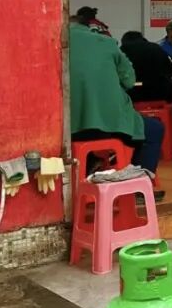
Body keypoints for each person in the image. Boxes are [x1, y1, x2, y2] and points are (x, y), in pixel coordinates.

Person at [69, 18, 164, 197]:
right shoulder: (106, 42)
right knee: (154, 129)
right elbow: (129, 80)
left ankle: (90, 168)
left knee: (85, 144)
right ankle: (138, 188)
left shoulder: (55, 43)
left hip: (68, 131)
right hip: (112, 127)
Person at [120, 31, 172, 102]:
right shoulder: (156, 47)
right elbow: (170, 68)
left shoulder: (121, 51)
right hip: (159, 92)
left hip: (132, 95)